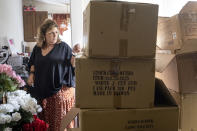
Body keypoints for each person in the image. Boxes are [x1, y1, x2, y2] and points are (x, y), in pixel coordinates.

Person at [27, 19, 75, 131]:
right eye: (51, 33)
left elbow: (73, 65)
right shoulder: (38, 48)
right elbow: (33, 62)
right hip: (41, 90)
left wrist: (76, 61)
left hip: (59, 91)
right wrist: (31, 75)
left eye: (56, 32)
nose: (55, 36)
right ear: (44, 35)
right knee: (44, 123)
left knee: (58, 124)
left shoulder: (64, 47)